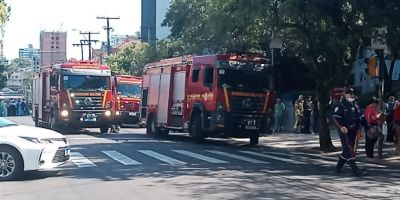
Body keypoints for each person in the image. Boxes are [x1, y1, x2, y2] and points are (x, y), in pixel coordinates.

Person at [332, 87, 364, 176]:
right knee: (349, 149)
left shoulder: (355, 106)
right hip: (344, 131)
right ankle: (355, 170)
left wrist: (367, 127)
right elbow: (335, 117)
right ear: (345, 94)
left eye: (352, 93)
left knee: (347, 150)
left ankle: (339, 166)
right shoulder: (341, 105)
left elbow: (361, 117)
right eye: (349, 93)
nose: (351, 95)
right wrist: (341, 127)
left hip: (353, 130)